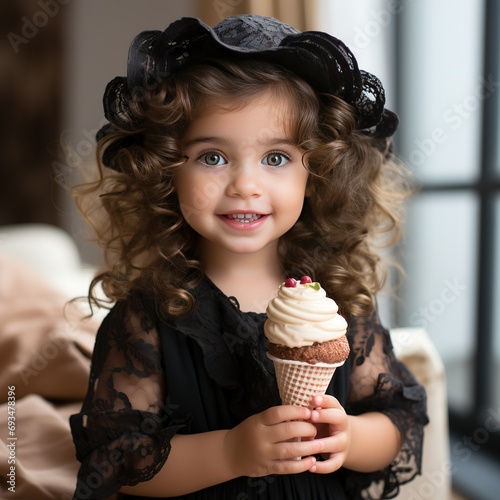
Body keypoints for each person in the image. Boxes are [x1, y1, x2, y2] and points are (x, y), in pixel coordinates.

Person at [70, 14, 428, 500]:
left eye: (276, 158)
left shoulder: (339, 304)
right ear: (166, 170)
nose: (245, 186)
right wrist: (231, 453)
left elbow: (399, 417)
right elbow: (119, 459)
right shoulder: (148, 318)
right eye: (212, 157)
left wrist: (352, 438)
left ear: (316, 173)